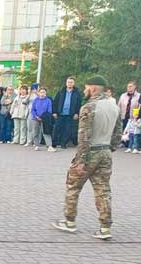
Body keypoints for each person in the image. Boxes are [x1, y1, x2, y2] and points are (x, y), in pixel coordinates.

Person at [52, 76, 121, 241]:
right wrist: (111, 148)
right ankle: (105, 227)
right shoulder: (114, 106)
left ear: (94, 88)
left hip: (90, 152)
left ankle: (69, 221)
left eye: (87, 88)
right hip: (105, 152)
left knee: (73, 186)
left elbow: (84, 136)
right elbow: (118, 132)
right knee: (103, 190)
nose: (84, 91)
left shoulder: (89, 107)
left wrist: (80, 160)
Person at [52, 77, 83, 149]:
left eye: (71, 82)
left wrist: (77, 113)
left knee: (67, 130)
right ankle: (54, 143)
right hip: (60, 113)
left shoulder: (77, 93)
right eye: (68, 82)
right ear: (66, 83)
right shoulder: (61, 92)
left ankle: (63, 143)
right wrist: (54, 112)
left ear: (74, 83)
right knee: (57, 128)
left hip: (70, 114)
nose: (69, 84)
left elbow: (79, 104)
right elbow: (55, 102)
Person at [30, 87, 54, 152]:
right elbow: (33, 109)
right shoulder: (36, 100)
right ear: (38, 93)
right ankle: (36, 145)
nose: (42, 94)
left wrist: (42, 117)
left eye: (43, 92)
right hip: (35, 118)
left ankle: (49, 146)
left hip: (45, 118)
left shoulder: (48, 100)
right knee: (35, 132)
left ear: (46, 93)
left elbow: (49, 110)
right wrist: (36, 116)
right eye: (41, 92)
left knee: (46, 132)